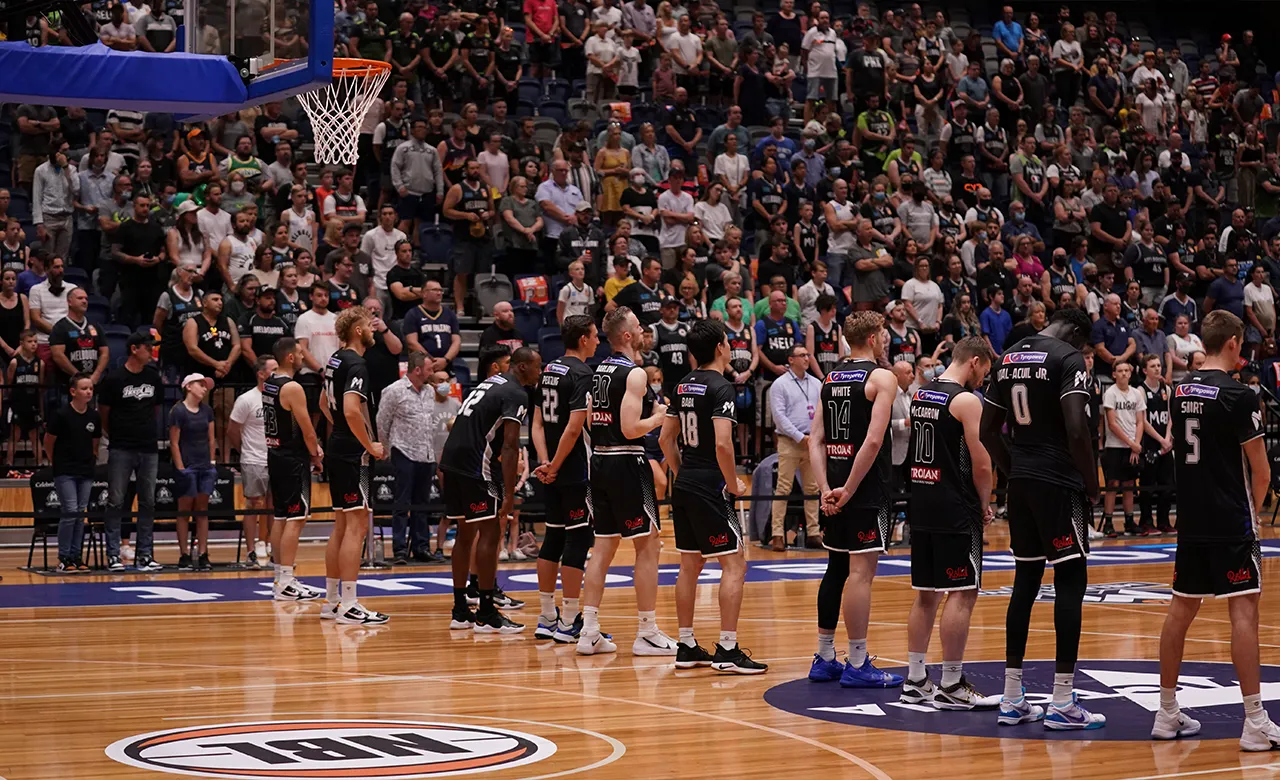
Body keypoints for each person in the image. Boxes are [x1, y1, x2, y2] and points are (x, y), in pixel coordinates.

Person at [1155, 309, 1278, 749]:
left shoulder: (1178, 391)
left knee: (1180, 611)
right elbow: (1260, 473)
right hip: (1230, 521)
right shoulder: (1239, 395)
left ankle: (1166, 713)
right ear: (1232, 343)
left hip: (1190, 521)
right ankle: (1254, 722)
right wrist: (1256, 518)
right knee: (1244, 613)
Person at [980, 307, 1103, 729]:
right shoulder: (1068, 359)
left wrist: (1015, 469)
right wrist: (1091, 484)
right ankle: (1064, 702)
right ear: (1077, 334)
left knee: (1025, 582)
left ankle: (1012, 697)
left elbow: (986, 430)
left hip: (1023, 485)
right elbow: (1075, 428)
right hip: (1059, 483)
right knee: (1071, 581)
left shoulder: (1008, 356)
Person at [658, 319, 767, 674]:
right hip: (710, 485)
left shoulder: (683, 384)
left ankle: (687, 645)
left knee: (689, 565)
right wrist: (732, 481)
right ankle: (728, 650)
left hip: (686, 482)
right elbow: (722, 443)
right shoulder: (722, 388)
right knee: (734, 564)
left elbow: (664, 440)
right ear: (721, 347)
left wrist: (681, 473)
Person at [900, 336, 998, 708]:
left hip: (922, 502)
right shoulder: (966, 400)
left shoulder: (922, 393)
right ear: (974, 361)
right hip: (955, 506)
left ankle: (915, 679)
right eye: (985, 370)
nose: (983, 378)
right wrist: (986, 504)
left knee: (926, 594)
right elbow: (982, 462)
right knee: (962, 592)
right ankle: (952, 685)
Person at [807, 312, 902, 688]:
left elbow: (814, 439)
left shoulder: (829, 378)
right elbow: (874, 441)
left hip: (833, 487)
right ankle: (858, 662)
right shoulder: (882, 377)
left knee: (836, 569)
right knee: (861, 573)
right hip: (863, 490)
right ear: (876, 337)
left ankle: (825, 656)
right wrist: (847, 489)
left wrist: (824, 488)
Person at [577, 307, 675, 656]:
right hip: (627, 462)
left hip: (600, 461)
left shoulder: (597, 370)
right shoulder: (634, 374)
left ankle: (588, 631)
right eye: (638, 325)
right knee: (648, 547)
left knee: (602, 547)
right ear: (628, 336)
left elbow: (589, 421)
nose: (644, 328)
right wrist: (658, 417)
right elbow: (632, 428)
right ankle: (647, 631)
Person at [441, 345, 542, 633]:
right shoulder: (516, 392)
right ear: (522, 367)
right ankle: (486, 611)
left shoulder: (489, 382)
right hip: (476, 465)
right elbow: (510, 446)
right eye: (537, 366)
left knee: (465, 533)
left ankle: (460, 610)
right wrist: (509, 493)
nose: (540, 371)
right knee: (490, 531)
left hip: (451, 459)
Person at [320, 306, 391, 625]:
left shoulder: (334, 360)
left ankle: (332, 601)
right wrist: (368, 444)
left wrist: (341, 433)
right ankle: (349, 603)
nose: (374, 330)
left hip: (338, 445)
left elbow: (324, 403)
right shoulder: (356, 362)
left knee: (341, 525)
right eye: (369, 326)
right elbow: (350, 410)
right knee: (357, 526)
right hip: (352, 453)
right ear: (358, 331)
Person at [531, 316, 600, 642]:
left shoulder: (548, 370)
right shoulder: (583, 373)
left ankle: (546, 617)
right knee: (577, 541)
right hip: (573, 470)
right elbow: (574, 428)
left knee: (553, 539)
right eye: (595, 336)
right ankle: (570, 620)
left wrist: (545, 462)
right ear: (584, 339)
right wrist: (557, 464)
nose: (598, 341)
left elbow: (537, 425)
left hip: (551, 470)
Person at [99, 331, 165, 572]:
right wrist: (116, 434)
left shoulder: (153, 377)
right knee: (116, 501)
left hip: (148, 447)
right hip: (121, 447)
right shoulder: (114, 379)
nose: (152, 351)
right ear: (135, 349)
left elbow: (156, 409)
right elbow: (104, 412)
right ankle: (114, 554)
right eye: (148, 347)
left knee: (148, 501)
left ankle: (145, 554)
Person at [264, 337, 324, 601]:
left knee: (280, 516)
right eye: (300, 353)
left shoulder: (269, 384)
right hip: (292, 457)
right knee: (296, 518)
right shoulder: (292, 387)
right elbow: (306, 427)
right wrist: (316, 453)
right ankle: (287, 580)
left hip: (275, 454)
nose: (302, 356)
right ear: (290, 357)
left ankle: (280, 577)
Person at [374, 351, 442, 564]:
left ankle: (421, 547)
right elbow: (382, 421)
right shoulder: (394, 391)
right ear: (418, 369)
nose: (433, 372)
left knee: (422, 503)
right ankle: (400, 549)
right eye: (430, 369)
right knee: (402, 502)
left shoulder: (430, 391)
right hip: (403, 451)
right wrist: (385, 448)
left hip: (426, 453)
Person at [769, 344, 822, 551]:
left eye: (808, 355)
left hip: (812, 441)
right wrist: (800, 437)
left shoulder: (816, 383)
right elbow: (779, 417)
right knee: (783, 488)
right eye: (801, 356)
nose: (806, 358)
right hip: (790, 441)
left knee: (812, 488)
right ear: (790, 360)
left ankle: (814, 533)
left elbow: (820, 411)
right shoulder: (780, 384)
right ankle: (777, 534)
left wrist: (816, 436)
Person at [47, 372, 100, 573]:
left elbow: (94, 443)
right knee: (70, 512)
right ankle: (64, 556)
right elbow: (49, 442)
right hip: (65, 471)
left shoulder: (94, 416)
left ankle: (76, 556)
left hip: (85, 470)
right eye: (84, 388)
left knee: (80, 514)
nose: (88, 392)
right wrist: (57, 463)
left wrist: (90, 459)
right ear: (73, 391)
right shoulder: (61, 415)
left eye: (90, 389)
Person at [229, 355, 276, 568]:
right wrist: (244, 451)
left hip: (276, 458)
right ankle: (251, 553)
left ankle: (276, 551)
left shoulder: (280, 396)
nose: (278, 373)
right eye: (273, 370)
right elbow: (232, 430)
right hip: (253, 459)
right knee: (253, 504)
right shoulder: (246, 399)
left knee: (276, 506)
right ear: (261, 374)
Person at [169, 374, 217, 571]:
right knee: (184, 511)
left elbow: (211, 439)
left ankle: (203, 552)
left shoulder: (207, 411)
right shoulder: (178, 411)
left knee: (202, 511)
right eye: (201, 385)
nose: (204, 389)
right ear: (188, 386)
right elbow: (174, 442)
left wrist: (212, 463)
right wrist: (181, 467)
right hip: (187, 467)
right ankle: (184, 554)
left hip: (204, 466)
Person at [1101, 361, 1146, 539]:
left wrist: (1136, 445)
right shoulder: (1110, 393)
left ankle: (1129, 521)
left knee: (1129, 484)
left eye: (1127, 370)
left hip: (1132, 447)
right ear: (1114, 374)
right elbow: (1111, 424)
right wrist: (1130, 442)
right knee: (1113, 485)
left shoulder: (1136, 393)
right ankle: (1109, 523)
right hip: (1114, 446)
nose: (1124, 374)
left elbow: (1140, 421)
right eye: (1120, 371)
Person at [1138, 354, 1175, 536]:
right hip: (1150, 444)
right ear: (1145, 370)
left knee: (1167, 485)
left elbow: (1170, 416)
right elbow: (1143, 422)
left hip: (1166, 444)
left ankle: (1164, 521)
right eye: (1153, 366)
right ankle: (1146, 522)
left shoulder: (1166, 389)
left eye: (1159, 365)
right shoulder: (1140, 390)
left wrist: (1168, 438)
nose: (1157, 369)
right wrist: (1160, 439)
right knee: (1147, 485)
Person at [5, 330, 42, 473]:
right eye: (30, 341)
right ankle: (9, 465)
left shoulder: (40, 363)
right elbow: (9, 384)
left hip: (33, 405)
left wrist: (41, 409)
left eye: (35, 341)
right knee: (15, 435)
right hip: (18, 404)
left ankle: (39, 466)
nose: (33, 344)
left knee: (34, 436)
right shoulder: (15, 362)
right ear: (22, 344)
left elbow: (41, 386)